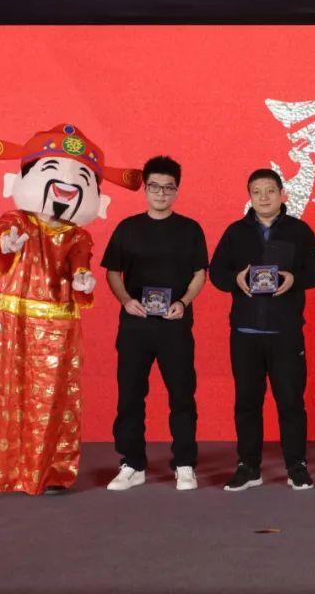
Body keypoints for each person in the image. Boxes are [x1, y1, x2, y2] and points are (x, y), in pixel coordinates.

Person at [0, 124, 141, 501]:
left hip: (58, 325)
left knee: (53, 398)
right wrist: (7, 244)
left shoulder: (78, 236)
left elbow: (80, 265)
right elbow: (4, 231)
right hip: (13, 320)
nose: (68, 187)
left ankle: (49, 472)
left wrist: (83, 280)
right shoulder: (18, 221)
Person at [209, 169, 315, 492]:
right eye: (256, 192)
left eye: (270, 191)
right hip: (245, 333)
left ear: (282, 194)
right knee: (247, 403)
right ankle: (248, 466)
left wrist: (295, 279)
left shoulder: (299, 231)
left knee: (291, 401)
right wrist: (235, 279)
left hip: (285, 333)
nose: (263, 197)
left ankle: (296, 465)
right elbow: (216, 273)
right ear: (249, 196)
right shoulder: (236, 232)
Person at [102, 156, 209, 492]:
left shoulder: (190, 229)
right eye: (155, 187)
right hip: (135, 326)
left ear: (177, 190)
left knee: (182, 395)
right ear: (145, 189)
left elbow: (200, 273)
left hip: (175, 325)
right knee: (130, 396)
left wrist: (183, 302)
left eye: (168, 188)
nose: (161, 193)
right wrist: (125, 300)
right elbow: (112, 272)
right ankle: (132, 464)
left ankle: (185, 463)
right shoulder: (127, 228)